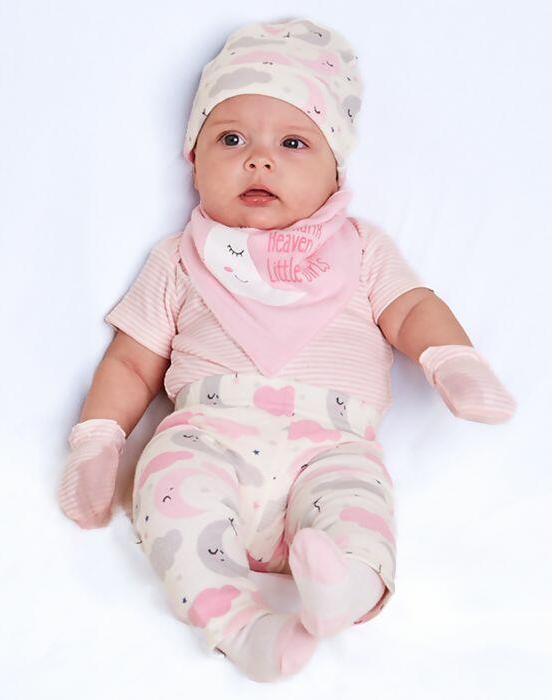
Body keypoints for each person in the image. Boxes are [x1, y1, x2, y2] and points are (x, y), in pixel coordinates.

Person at [57, 17, 516, 683]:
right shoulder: (179, 259)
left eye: (293, 142)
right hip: (209, 437)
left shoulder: (361, 249)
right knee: (169, 491)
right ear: (193, 161)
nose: (258, 159)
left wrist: (453, 359)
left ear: (336, 171)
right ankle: (242, 627)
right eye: (230, 139)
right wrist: (98, 440)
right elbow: (131, 362)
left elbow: (412, 308)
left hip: (329, 447)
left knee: (359, 503)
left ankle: (344, 586)